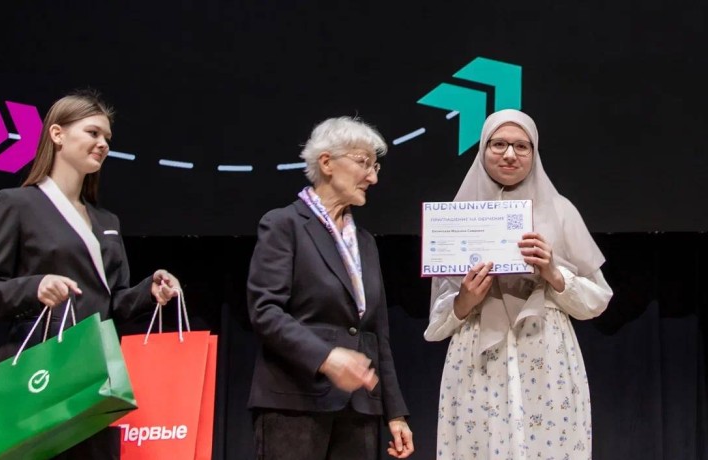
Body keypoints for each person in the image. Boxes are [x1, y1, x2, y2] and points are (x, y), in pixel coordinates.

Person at [0, 90, 181, 459]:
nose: (103, 144)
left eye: (107, 138)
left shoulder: (106, 220)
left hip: (94, 382)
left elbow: (111, 302)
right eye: (93, 133)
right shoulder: (16, 204)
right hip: (38, 378)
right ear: (57, 134)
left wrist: (150, 291)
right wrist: (36, 287)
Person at [424, 109, 613, 458]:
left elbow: (598, 299)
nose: (510, 154)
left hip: (545, 351)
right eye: (498, 144)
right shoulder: (458, 215)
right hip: (477, 354)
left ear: (533, 152)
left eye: (521, 146)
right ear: (483, 149)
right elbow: (437, 323)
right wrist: (465, 300)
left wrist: (554, 273)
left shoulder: (560, 210)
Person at [247, 116, 414, 459]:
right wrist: (325, 358)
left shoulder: (365, 242)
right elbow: (265, 312)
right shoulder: (284, 224)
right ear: (326, 163)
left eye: (375, 166)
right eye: (363, 163)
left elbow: (377, 333)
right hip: (295, 402)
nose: (373, 177)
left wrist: (394, 412)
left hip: (359, 410)